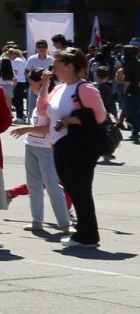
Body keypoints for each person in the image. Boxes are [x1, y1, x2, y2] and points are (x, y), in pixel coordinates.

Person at [41, 50, 105, 248]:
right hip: (60, 144)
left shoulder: (84, 88)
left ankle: (88, 236)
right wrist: (44, 86)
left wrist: (71, 120)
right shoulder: (59, 88)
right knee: (73, 189)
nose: (53, 69)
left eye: (57, 65)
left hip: (79, 145)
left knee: (80, 190)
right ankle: (85, 232)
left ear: (70, 66)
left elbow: (100, 116)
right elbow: (44, 110)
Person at [9, 69, 68, 236]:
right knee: (34, 184)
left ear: (40, 82)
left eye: (31, 83)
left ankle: (65, 223)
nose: (29, 87)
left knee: (52, 185)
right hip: (31, 145)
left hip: (46, 148)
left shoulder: (50, 101)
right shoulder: (39, 100)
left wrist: (27, 129)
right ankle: (37, 220)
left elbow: (51, 128)